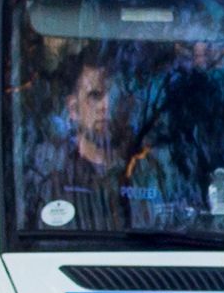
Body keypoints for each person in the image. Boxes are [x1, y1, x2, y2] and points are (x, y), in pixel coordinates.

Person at [18, 54, 138, 237]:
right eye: (95, 96)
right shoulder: (52, 179)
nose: (106, 105)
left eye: (115, 95)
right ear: (73, 108)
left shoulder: (146, 170)